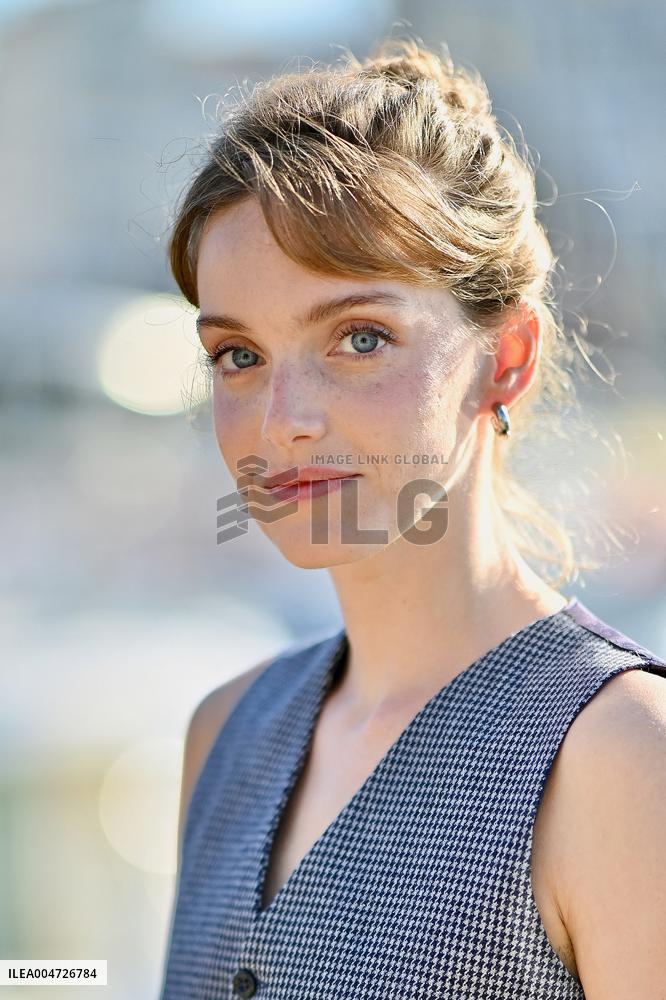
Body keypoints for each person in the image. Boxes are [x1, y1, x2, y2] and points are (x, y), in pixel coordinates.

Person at [158, 36, 666, 999]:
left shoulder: (622, 761)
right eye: (238, 354)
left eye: (358, 337)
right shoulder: (222, 735)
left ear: (506, 358)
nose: (282, 421)